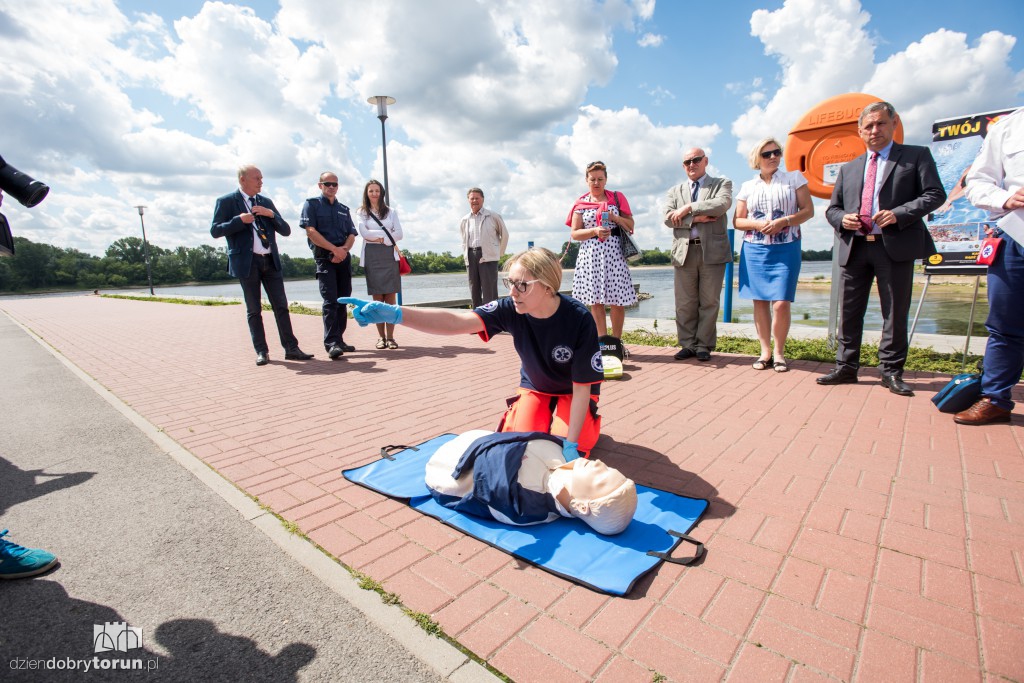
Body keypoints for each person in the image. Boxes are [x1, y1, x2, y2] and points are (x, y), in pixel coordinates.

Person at [339, 247, 603, 459]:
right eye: (509, 282)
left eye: (522, 285)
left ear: (547, 286)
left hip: (572, 390)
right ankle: (530, 414)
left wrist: (570, 443)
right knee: (523, 446)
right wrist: (397, 314)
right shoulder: (510, 308)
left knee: (568, 447)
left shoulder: (579, 319)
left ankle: (581, 426)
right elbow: (457, 321)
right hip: (536, 385)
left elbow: (582, 388)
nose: (512, 292)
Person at [818, 102, 946, 395]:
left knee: (895, 312)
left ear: (893, 124)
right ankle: (846, 367)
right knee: (849, 311)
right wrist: (843, 219)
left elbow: (935, 194)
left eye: (880, 124)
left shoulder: (916, 156)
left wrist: (899, 213)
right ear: (859, 131)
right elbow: (832, 209)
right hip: (855, 247)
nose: (874, 130)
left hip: (895, 247)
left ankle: (890, 371)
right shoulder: (849, 168)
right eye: (868, 126)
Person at [425, 430, 637, 535]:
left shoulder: (528, 505)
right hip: (474, 441)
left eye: (601, 479)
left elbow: (489, 482)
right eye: (609, 468)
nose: (599, 463)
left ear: (582, 505)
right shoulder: (567, 467)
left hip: (450, 466)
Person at [956, 108, 1024, 425]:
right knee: (1004, 325)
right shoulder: (1009, 126)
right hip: (1015, 236)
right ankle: (996, 399)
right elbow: (976, 181)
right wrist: (1006, 198)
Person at [211, 165, 314, 366]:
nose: (261, 182)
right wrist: (238, 220)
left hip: (270, 261)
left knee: (281, 306)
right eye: (256, 178)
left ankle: (291, 348)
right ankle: (262, 351)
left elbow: (286, 230)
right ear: (242, 180)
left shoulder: (266, 203)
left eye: (262, 178)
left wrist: (271, 214)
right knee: (254, 309)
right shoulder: (226, 202)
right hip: (247, 263)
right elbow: (215, 230)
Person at [732, 137, 814, 372]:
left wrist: (784, 221)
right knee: (759, 301)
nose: (773, 157)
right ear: (757, 158)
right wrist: (758, 225)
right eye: (767, 154)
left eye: (776, 152)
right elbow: (737, 220)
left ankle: (779, 352)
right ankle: (765, 352)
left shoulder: (794, 178)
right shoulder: (748, 186)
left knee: (780, 303)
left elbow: (808, 211)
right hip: (755, 249)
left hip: (786, 246)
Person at [663, 148, 734, 361]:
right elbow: (668, 218)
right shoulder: (674, 191)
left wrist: (688, 209)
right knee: (684, 303)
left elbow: (721, 205)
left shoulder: (722, 184)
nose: (691, 165)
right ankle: (688, 344)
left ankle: (704, 345)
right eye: (687, 162)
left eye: (695, 160)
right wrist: (695, 219)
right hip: (684, 251)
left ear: (705, 161)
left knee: (709, 301)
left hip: (712, 251)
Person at [567, 161, 637, 342]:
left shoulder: (616, 197)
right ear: (586, 180)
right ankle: (603, 342)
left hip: (614, 254)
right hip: (590, 255)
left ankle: (617, 342)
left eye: (600, 179)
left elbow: (630, 225)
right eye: (593, 179)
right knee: (596, 301)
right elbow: (575, 233)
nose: (596, 183)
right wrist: (594, 231)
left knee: (617, 301)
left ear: (606, 180)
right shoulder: (581, 203)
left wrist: (614, 217)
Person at [300, 171, 358, 360]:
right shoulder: (312, 205)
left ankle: (340, 340)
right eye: (327, 184)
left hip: (343, 259)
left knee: (343, 301)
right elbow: (311, 231)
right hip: (325, 259)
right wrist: (334, 249)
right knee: (330, 301)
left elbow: (351, 233)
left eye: (334, 184)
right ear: (320, 185)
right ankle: (331, 343)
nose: (331, 187)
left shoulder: (343, 208)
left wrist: (344, 251)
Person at [356, 179, 404, 350]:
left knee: (390, 299)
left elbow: (399, 233)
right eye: (371, 191)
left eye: (377, 190)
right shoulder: (362, 212)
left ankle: (391, 337)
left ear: (382, 193)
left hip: (389, 256)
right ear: (366, 193)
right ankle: (380, 338)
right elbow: (364, 233)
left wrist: (377, 237)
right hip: (372, 255)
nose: (374, 193)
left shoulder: (391, 211)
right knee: (377, 299)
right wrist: (384, 237)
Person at [459, 188, 509, 308]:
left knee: (489, 290)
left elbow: (505, 235)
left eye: (477, 198)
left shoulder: (493, 216)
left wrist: (499, 253)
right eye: (472, 198)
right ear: (468, 200)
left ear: (483, 199)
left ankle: (492, 319)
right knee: (474, 289)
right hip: (471, 255)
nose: (474, 200)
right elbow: (463, 239)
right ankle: (477, 318)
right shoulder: (465, 220)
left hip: (488, 256)